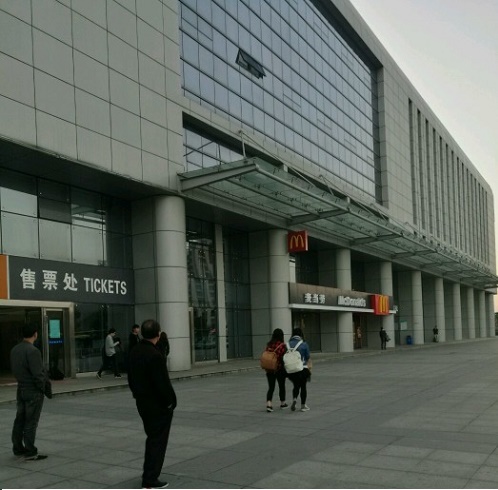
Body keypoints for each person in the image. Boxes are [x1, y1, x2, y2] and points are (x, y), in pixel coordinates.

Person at [128, 319, 177, 489]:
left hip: (142, 402)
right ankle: (150, 479)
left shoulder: (135, 350)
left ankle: (149, 475)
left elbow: (131, 378)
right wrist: (170, 403)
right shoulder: (155, 355)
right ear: (158, 334)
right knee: (157, 440)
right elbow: (162, 384)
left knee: (152, 437)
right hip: (157, 405)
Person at [10, 324, 52, 461]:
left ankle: (17, 448)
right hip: (32, 391)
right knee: (31, 421)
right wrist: (42, 389)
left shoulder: (15, 349)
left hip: (20, 389)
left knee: (19, 420)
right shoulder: (33, 351)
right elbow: (38, 374)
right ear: (35, 334)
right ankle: (30, 451)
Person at [287, 327, 311, 412]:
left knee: (296, 385)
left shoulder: (288, 344)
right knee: (303, 387)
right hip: (302, 368)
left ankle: (294, 399)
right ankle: (303, 405)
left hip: (291, 369)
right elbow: (308, 357)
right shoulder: (304, 344)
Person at [264, 328, 288, 412]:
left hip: (269, 369)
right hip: (279, 369)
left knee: (271, 387)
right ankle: (282, 403)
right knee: (281, 386)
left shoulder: (269, 344)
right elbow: (284, 358)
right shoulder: (282, 345)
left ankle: (269, 404)